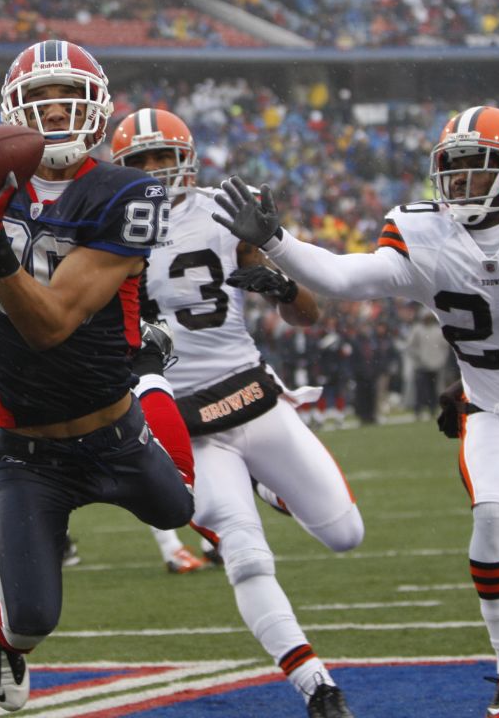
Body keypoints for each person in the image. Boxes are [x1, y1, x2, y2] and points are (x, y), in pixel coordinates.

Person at [213, 106, 499, 717]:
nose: (458, 183)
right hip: (493, 406)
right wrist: (277, 241)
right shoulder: (425, 232)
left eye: (474, 169)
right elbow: (347, 278)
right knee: (490, 512)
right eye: (450, 168)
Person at [0, 40, 194, 713]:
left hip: (114, 427)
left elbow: (52, 322)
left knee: (181, 509)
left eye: (68, 102)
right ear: (13, 113)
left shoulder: (131, 191)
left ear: (96, 109)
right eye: (40, 104)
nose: (54, 116)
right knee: (29, 620)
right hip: (23, 447)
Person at [112, 107, 362, 718]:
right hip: (186, 423)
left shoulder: (227, 210)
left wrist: (276, 281)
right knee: (246, 558)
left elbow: (310, 312)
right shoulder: (106, 229)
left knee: (345, 535)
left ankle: (269, 489)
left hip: (251, 394)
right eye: (138, 161)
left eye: (160, 157)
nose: (151, 171)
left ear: (188, 158)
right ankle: (317, 686)